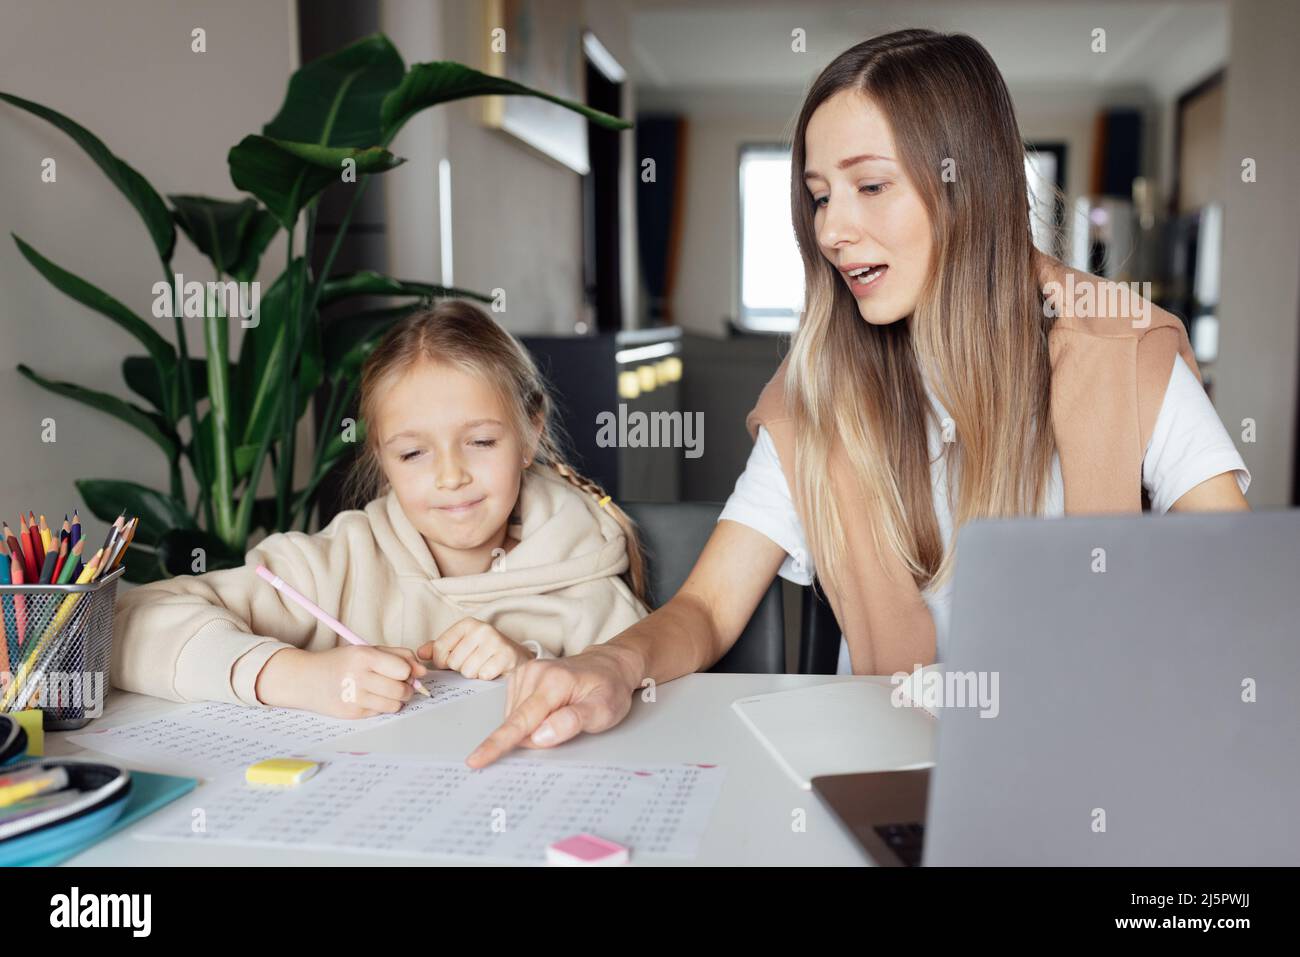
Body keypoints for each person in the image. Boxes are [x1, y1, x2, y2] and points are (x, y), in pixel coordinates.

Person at [465, 28, 1250, 769]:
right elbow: (706, 607)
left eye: (870, 185)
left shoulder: (1125, 351)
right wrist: (610, 664)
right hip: (880, 783)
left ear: (968, 186)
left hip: (1083, 778)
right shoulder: (816, 394)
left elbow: (1236, 593)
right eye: (819, 196)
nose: (833, 228)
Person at [111, 301, 650, 718]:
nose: (449, 475)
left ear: (531, 431)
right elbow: (120, 627)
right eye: (414, 453)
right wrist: (298, 676)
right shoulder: (335, 566)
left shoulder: (585, 572)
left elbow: (656, 707)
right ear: (381, 457)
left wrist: (533, 669)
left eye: (481, 442)